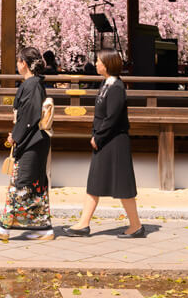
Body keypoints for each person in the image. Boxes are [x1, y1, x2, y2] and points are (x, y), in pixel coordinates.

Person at [66, 49, 143, 238]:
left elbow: (112, 117)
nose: (97, 64)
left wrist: (98, 136)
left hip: (114, 141)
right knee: (95, 181)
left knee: (123, 185)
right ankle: (84, 223)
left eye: (99, 61)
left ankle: (136, 225)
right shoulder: (105, 84)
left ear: (108, 64)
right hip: (105, 139)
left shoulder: (116, 86)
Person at [0, 46, 53, 241]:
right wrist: (16, 132)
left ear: (24, 63)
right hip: (35, 140)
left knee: (20, 184)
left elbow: (30, 116)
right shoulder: (34, 84)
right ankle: (43, 228)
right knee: (34, 184)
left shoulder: (31, 85)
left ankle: (4, 226)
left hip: (32, 141)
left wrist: (15, 135)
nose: (17, 64)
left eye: (18, 61)